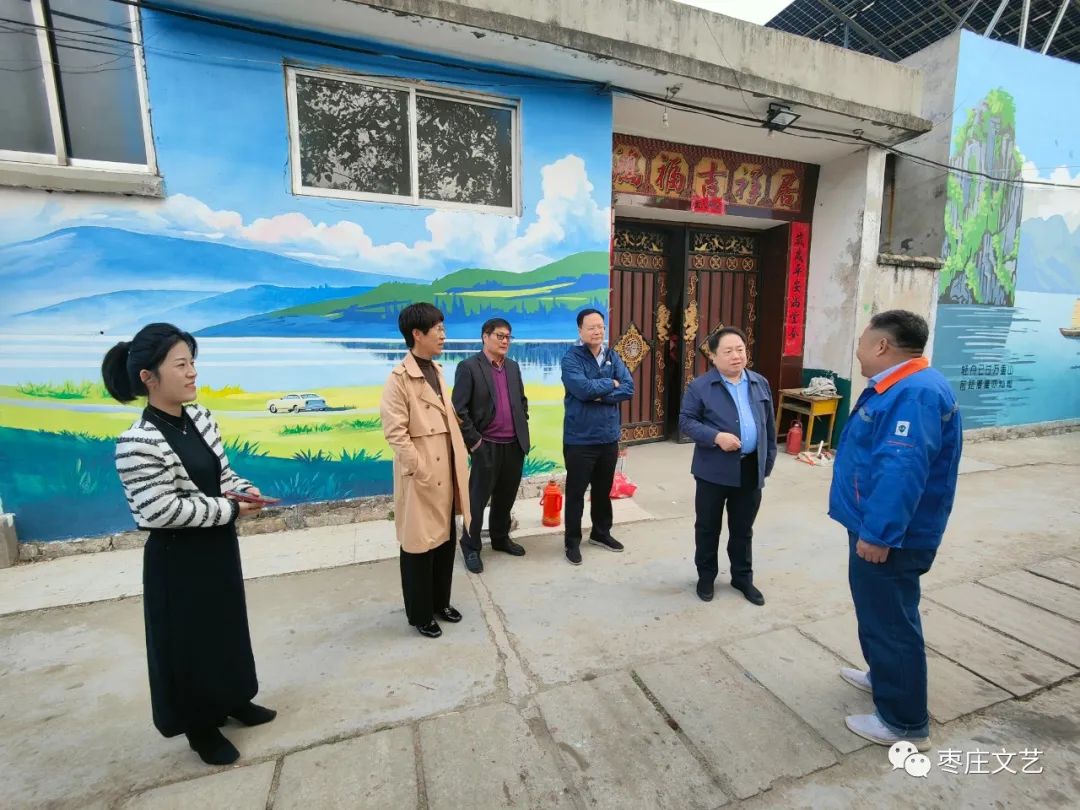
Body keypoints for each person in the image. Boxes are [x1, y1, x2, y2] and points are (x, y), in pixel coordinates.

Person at [103, 323, 276, 767]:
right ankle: (200, 727)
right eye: (181, 364)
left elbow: (222, 474)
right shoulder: (136, 442)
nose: (192, 372)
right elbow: (159, 511)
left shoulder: (200, 418)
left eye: (192, 362)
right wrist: (231, 509)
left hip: (217, 547)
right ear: (148, 377)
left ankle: (235, 698)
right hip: (177, 559)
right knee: (188, 644)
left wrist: (245, 491)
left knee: (226, 628)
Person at [829, 309, 962, 751]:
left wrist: (879, 534)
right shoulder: (901, 386)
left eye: (862, 341)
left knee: (891, 622)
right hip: (876, 525)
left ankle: (904, 723)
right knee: (877, 613)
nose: (858, 350)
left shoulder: (914, 393)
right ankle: (884, 677)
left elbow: (901, 469)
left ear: (882, 345)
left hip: (891, 536)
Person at [381, 303, 471, 639]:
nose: (443, 335)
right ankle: (420, 614)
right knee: (419, 547)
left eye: (443, 328)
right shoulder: (399, 379)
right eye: (438, 329)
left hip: (446, 471)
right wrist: (420, 469)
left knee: (445, 541)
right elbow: (396, 433)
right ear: (417, 334)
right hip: (421, 477)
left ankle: (440, 603)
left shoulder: (437, 370)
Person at [679, 327, 777, 605]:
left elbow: (769, 427)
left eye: (740, 350)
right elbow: (686, 422)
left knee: (743, 529)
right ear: (713, 356)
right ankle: (706, 576)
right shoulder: (700, 387)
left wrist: (766, 464)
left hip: (750, 468)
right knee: (708, 528)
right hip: (713, 470)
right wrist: (715, 437)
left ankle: (742, 577)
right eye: (728, 351)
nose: (736, 356)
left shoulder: (759, 383)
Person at [452, 318, 531, 574]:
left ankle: (500, 538)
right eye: (500, 336)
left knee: (505, 497)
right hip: (486, 445)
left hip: (514, 445)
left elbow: (521, 400)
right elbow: (459, 410)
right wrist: (475, 442)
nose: (505, 341)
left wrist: (522, 421)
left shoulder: (513, 367)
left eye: (508, 337)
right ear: (485, 337)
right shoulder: (469, 367)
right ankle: (470, 546)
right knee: (477, 501)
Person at [560, 308, 634, 565]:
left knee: (603, 491)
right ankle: (571, 542)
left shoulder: (612, 356)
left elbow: (628, 388)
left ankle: (601, 533)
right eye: (591, 327)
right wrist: (610, 383)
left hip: (608, 438)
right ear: (580, 330)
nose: (597, 331)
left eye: (601, 326)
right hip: (580, 439)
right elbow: (581, 389)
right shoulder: (571, 359)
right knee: (576, 493)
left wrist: (600, 394)